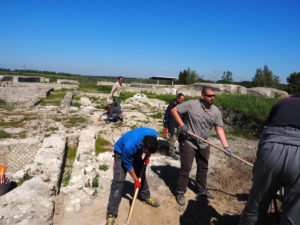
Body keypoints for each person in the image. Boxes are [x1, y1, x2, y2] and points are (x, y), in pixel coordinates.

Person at [239, 95, 300, 225]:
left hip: (271, 148)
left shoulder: (282, 103)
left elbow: (268, 125)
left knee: (255, 206)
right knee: (294, 212)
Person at [171, 86, 232, 206]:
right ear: (202, 96)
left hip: (204, 143)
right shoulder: (191, 104)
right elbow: (174, 111)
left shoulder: (215, 111)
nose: (212, 98)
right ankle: (180, 191)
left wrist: (226, 146)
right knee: (186, 168)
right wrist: (182, 125)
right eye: (209, 96)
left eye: (214, 96)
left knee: (203, 168)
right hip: (189, 141)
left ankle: (201, 190)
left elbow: (219, 128)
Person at [105, 127, 160, 225]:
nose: (147, 153)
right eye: (146, 152)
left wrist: (148, 156)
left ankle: (145, 196)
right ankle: (111, 214)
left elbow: (150, 148)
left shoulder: (153, 134)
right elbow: (128, 165)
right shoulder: (129, 146)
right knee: (118, 182)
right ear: (142, 144)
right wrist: (135, 180)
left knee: (141, 175)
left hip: (137, 152)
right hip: (121, 153)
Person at [163, 93, 185, 160]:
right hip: (173, 125)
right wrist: (166, 127)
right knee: (173, 139)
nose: (182, 101)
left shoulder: (182, 105)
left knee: (181, 139)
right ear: (177, 99)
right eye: (181, 100)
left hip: (180, 125)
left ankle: (181, 151)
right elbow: (166, 117)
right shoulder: (171, 106)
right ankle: (171, 153)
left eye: (183, 100)